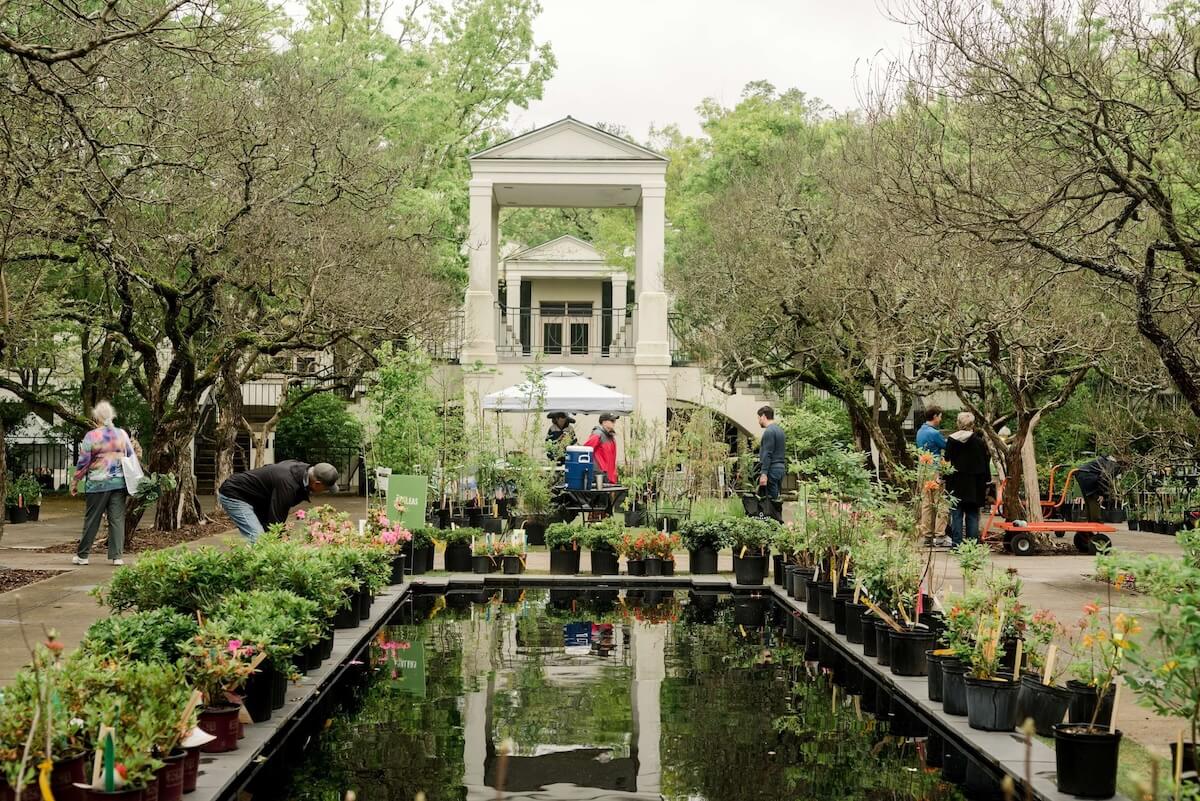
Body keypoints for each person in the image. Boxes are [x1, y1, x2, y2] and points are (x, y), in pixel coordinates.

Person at [71, 401, 133, 566]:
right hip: (119, 483)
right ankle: (117, 556)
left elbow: (83, 461)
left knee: (92, 519)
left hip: (97, 484)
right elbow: (131, 456)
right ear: (112, 416)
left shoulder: (91, 436)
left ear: (96, 417)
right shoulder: (122, 434)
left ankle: (83, 556)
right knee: (117, 519)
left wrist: (75, 481)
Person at [218, 460, 339, 542]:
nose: (326, 491)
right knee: (258, 538)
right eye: (326, 488)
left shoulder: (303, 471)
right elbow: (275, 520)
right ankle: (258, 575)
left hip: (257, 498)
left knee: (267, 535)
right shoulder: (288, 486)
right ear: (317, 484)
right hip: (236, 494)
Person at [944, 412, 992, 546]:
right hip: (974, 483)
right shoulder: (978, 441)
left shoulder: (951, 440)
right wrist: (987, 480)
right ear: (973, 424)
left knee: (956, 514)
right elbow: (985, 462)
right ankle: (972, 544)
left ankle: (957, 544)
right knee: (972, 514)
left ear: (958, 423)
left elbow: (947, 461)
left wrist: (944, 477)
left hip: (955, 481)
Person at [916, 405, 951, 548]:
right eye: (940, 416)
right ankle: (940, 534)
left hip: (923, 469)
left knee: (926, 503)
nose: (941, 419)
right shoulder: (934, 433)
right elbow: (947, 446)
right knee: (941, 502)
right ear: (935, 416)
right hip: (935, 469)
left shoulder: (920, 431)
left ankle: (927, 535)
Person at [757, 406, 787, 522]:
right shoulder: (780, 431)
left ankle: (775, 525)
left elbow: (767, 453)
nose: (758, 421)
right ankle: (776, 523)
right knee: (776, 499)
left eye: (759, 418)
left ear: (763, 416)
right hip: (780, 468)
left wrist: (764, 473)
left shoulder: (769, 431)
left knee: (771, 501)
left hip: (772, 469)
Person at [1075, 455, 1122, 523]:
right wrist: (1102, 494)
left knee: (1090, 500)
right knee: (1095, 498)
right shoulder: (1114, 465)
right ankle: (1093, 521)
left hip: (1083, 474)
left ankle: (1087, 523)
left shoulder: (1107, 461)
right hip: (1088, 476)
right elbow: (1105, 479)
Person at [584, 413, 619, 487]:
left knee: (606, 498)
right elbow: (586, 450)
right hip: (599, 475)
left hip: (607, 475)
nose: (614, 423)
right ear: (604, 422)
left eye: (614, 421)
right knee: (600, 498)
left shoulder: (610, 436)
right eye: (612, 421)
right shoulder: (597, 434)